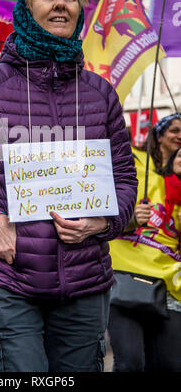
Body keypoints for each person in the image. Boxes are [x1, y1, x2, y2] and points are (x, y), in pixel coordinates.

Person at [0, 0, 137, 372]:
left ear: (81, 8)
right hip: (3, 275)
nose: (60, 4)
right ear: (27, 7)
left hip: (83, 282)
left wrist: (102, 223)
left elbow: (124, 180)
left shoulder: (101, 94)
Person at [108, 113, 181, 372]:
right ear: (158, 135)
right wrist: (130, 218)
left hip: (171, 286)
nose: (180, 136)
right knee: (130, 364)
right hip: (124, 278)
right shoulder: (133, 163)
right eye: (174, 129)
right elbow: (101, 207)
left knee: (169, 365)